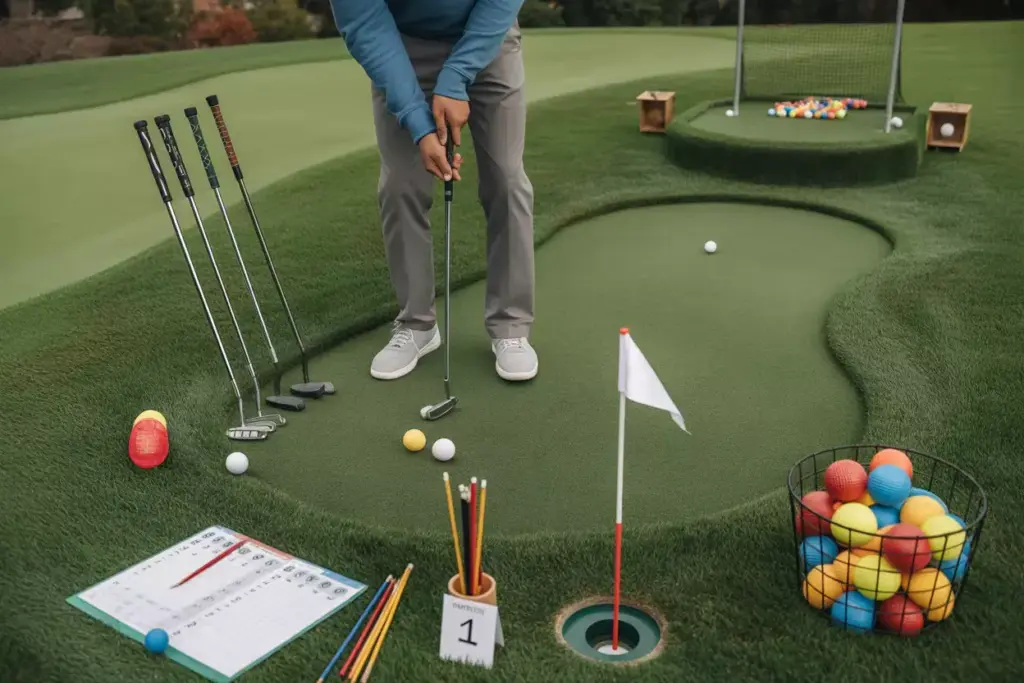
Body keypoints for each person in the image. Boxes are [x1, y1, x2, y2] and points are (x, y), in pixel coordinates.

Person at [330, 0, 538, 383]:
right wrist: (418, 124)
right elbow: (364, 23)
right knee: (399, 185)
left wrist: (457, 76)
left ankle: (511, 327)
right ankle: (417, 324)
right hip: (402, 48)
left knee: (506, 178)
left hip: (487, 36)